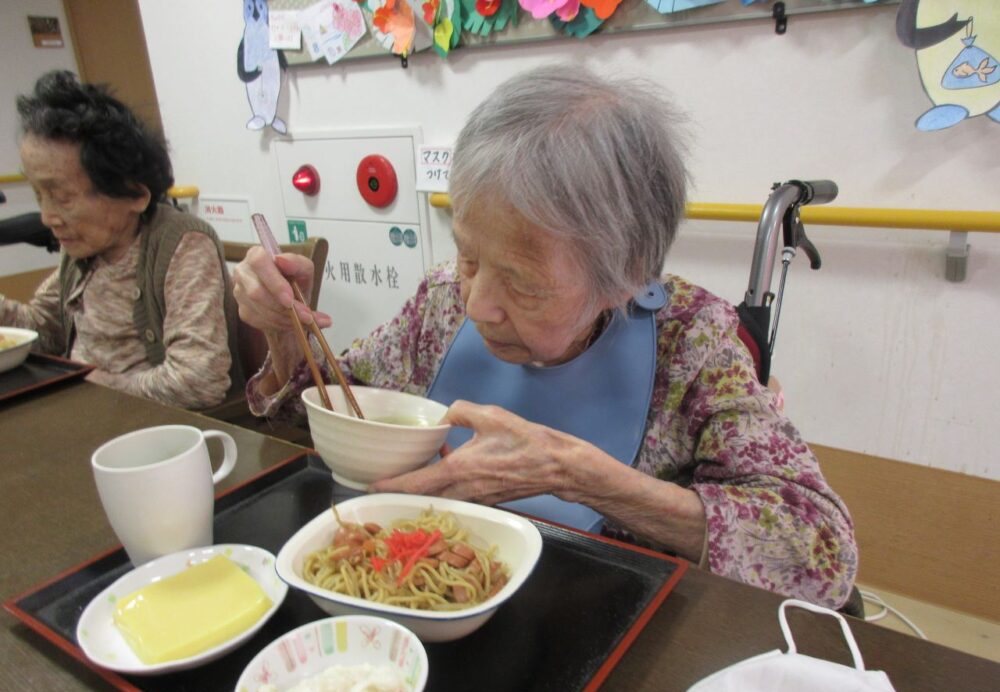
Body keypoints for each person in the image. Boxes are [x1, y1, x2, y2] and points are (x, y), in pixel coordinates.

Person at [233, 64, 858, 609]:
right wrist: (283, 334)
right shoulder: (442, 300)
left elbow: (823, 556)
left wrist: (580, 475)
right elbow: (326, 414)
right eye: (469, 257)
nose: (476, 304)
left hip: (594, 636)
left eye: (524, 284)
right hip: (412, 597)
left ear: (624, 278)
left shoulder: (693, 344)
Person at [1, 71, 241, 409]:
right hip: (91, 414)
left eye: (63, 197)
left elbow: (198, 380)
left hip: (155, 429)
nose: (47, 218)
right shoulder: (84, 252)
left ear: (135, 195)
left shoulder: (181, 244)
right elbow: (43, 333)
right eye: (39, 195)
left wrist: (91, 387)